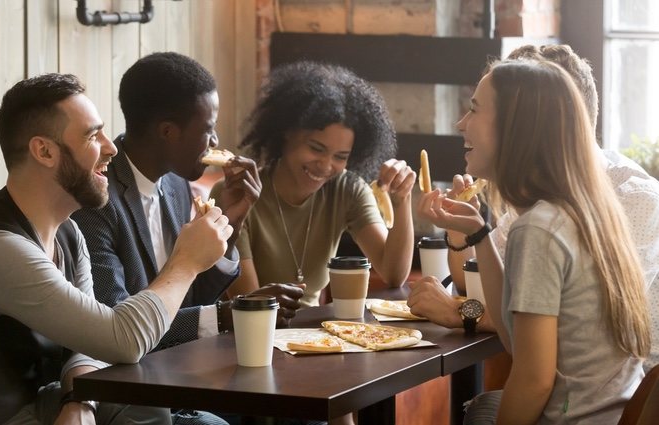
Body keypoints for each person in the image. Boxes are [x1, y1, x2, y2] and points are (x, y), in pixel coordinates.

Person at [0, 73, 232, 424]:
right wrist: (186, 262)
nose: (110, 148)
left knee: (169, 410)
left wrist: (80, 401)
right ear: (44, 151)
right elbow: (121, 339)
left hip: (42, 405)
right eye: (93, 135)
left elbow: (86, 343)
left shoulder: (68, 232)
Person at [70, 52, 305, 424]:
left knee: (298, 403)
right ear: (167, 131)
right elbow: (116, 328)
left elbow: (191, 296)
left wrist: (230, 223)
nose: (215, 140)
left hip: (183, 372)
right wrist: (227, 316)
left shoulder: (179, 185)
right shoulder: (98, 200)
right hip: (135, 389)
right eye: (207, 128)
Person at [417, 58, 650, 423]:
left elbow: (533, 381)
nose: (461, 124)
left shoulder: (540, 230)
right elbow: (516, 343)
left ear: (515, 130)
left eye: (474, 110)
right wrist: (479, 234)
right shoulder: (583, 211)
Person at [221, 61, 417, 309]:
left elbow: (392, 273)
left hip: (318, 337)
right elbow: (250, 307)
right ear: (287, 132)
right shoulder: (237, 194)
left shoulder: (347, 189)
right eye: (316, 149)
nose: (326, 166)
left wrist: (402, 201)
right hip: (252, 336)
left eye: (340, 157)